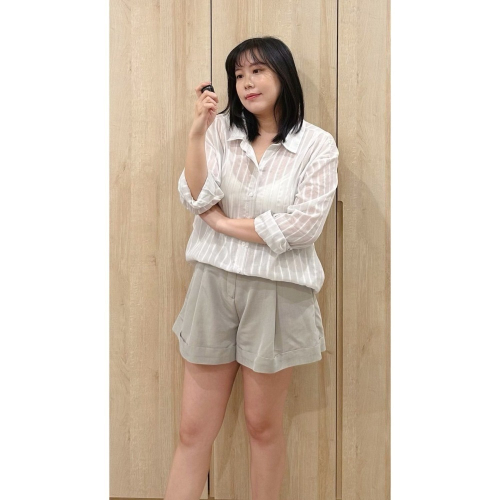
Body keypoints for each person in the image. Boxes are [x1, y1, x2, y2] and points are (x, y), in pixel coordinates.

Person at [164, 36, 339, 500]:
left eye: (258, 71)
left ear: (283, 74)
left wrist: (224, 223)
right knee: (192, 430)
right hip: (212, 286)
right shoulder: (220, 131)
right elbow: (197, 198)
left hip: (277, 293)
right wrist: (197, 133)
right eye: (238, 75)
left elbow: (303, 226)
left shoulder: (317, 145)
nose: (246, 83)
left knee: (263, 427)